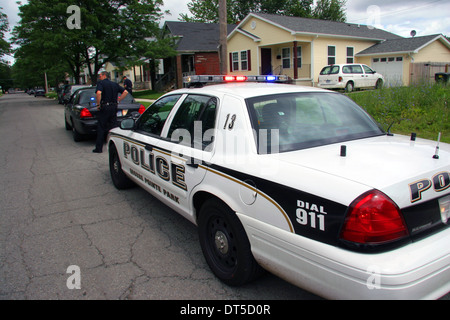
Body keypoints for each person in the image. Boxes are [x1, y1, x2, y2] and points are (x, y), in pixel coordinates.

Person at [93, 71, 128, 153]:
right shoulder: (114, 84)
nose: (99, 77)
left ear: (104, 75)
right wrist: (118, 100)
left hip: (105, 107)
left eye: (100, 75)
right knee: (113, 127)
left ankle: (99, 148)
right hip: (114, 106)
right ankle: (116, 148)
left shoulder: (101, 83)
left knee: (101, 127)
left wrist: (98, 105)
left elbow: (98, 93)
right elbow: (125, 92)